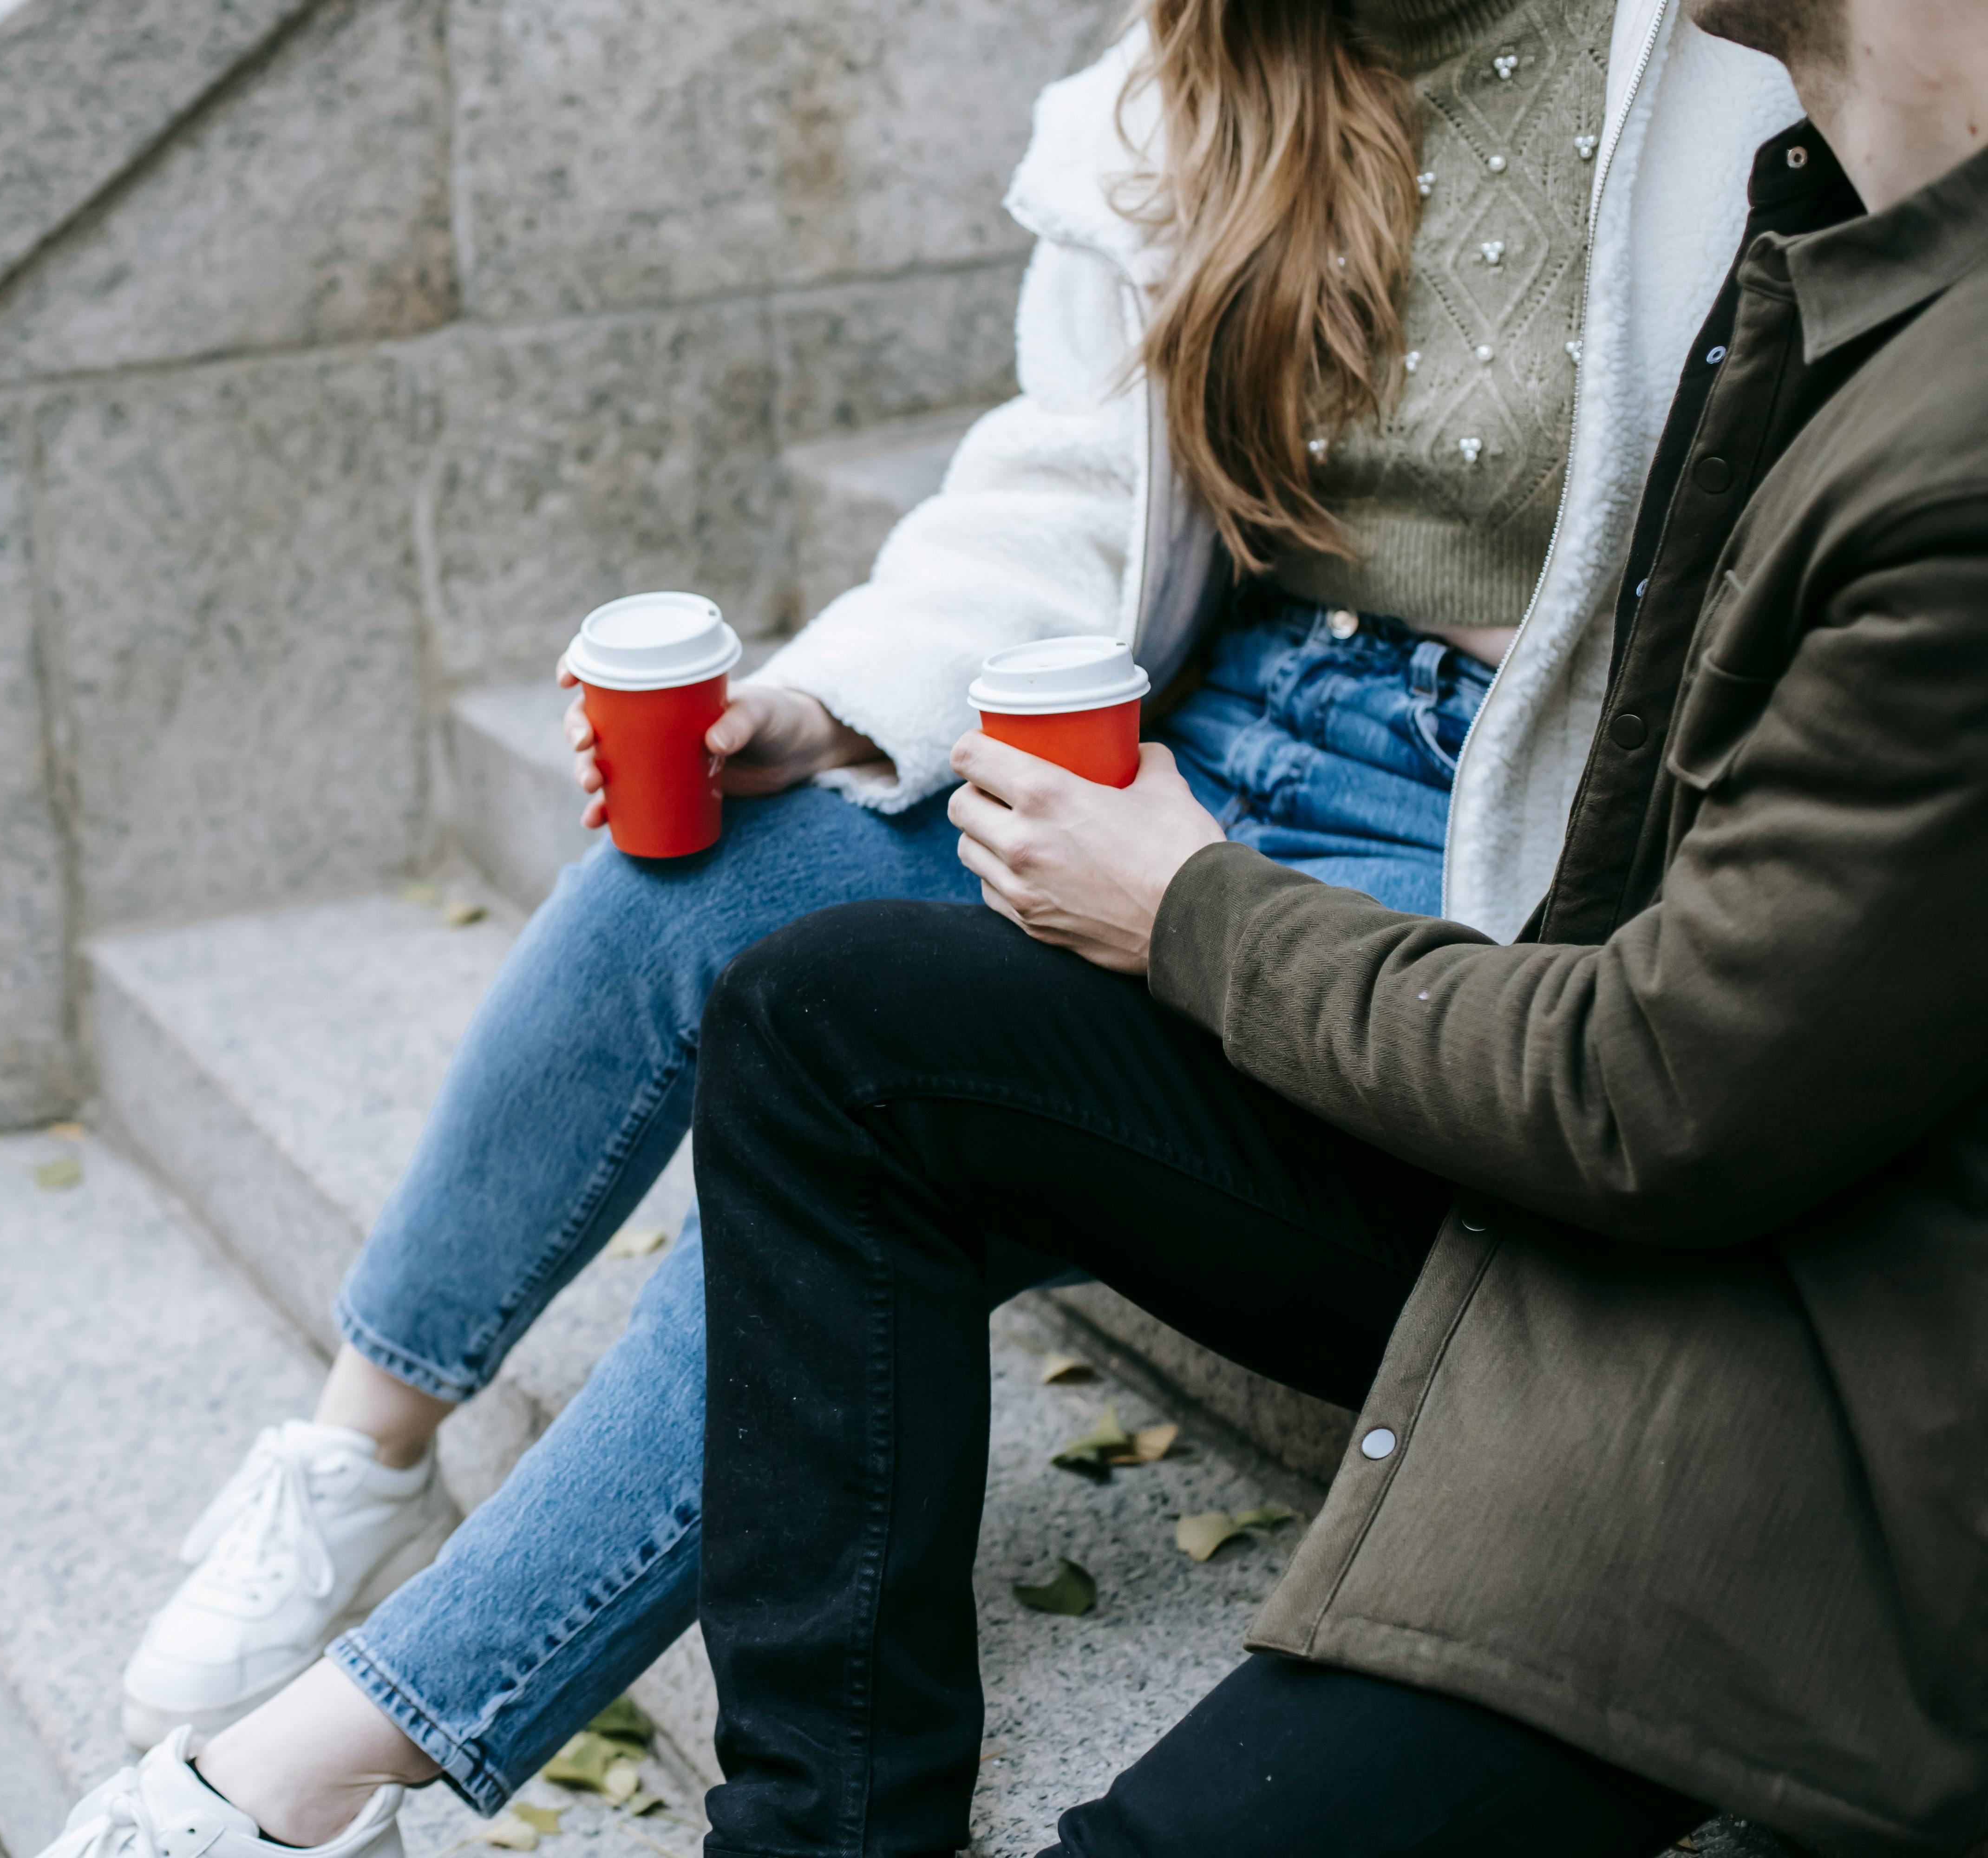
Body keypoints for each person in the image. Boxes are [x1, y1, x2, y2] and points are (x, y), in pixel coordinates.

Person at [30, 3, 1807, 1855]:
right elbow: (1069, 480)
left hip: (1465, 838)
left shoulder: (1731, 53)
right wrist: (838, 706)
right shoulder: (1209, 60)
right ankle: (360, 1450)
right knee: (706, 865)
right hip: (1197, 729)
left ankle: (323, 1772)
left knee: (859, 1088)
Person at [685, 0, 1988, 1851]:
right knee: (823, 1012)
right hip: (1634, 1170)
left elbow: (1647, 1099)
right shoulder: (1833, 215)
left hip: (1795, 1385)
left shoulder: (1957, 443)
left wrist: (1191, 905)